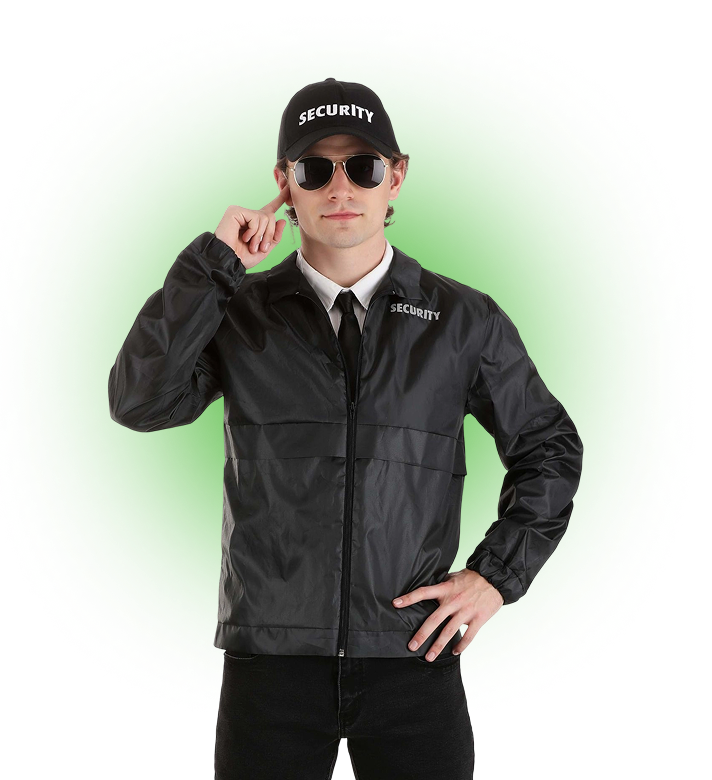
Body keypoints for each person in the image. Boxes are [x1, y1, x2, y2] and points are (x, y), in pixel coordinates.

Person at [108, 77, 584, 780]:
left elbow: (548, 446)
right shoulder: (239, 313)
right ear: (284, 184)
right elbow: (140, 403)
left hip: (414, 656)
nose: (340, 188)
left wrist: (495, 576)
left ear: (396, 178)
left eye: (362, 167)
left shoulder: (462, 321)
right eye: (315, 169)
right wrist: (213, 268)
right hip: (270, 666)